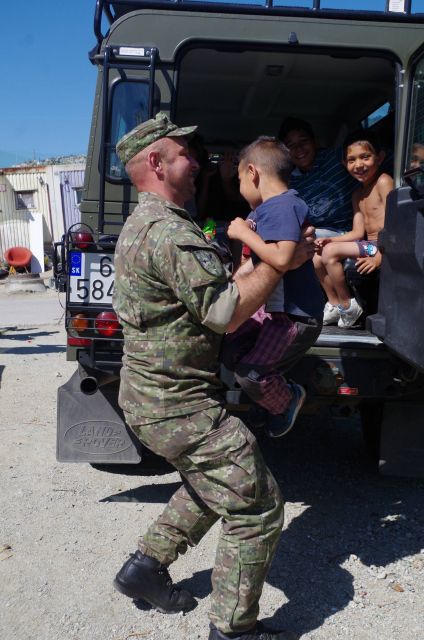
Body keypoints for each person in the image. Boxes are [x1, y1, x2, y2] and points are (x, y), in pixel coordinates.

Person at [111, 112, 314, 640]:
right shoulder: (169, 233)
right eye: (185, 154)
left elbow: (216, 293)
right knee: (257, 507)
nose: (198, 162)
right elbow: (226, 313)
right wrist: (282, 262)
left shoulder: (152, 224)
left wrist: (259, 263)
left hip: (159, 397)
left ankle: (145, 567)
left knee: (215, 482)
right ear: (157, 163)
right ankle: (233, 630)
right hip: (175, 403)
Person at [223, 137, 324, 437]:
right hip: (272, 311)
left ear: (252, 172)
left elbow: (280, 258)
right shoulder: (263, 210)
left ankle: (287, 400)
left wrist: (244, 234)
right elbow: (253, 263)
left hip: (295, 317)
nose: (240, 187)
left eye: (239, 180)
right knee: (230, 348)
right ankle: (266, 398)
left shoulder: (283, 206)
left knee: (252, 374)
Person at [315, 131, 393, 328]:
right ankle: (335, 303)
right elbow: (357, 233)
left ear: (380, 157)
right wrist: (330, 240)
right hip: (368, 245)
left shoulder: (383, 181)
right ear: (344, 164)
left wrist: (379, 256)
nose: (358, 164)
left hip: (381, 246)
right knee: (316, 255)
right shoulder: (357, 194)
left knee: (330, 253)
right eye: (352, 160)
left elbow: (395, 223)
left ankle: (348, 305)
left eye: (365, 157)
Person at [278, 117, 357, 238]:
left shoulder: (336, 157)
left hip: (352, 231)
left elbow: (373, 160)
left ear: (314, 141)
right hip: (318, 236)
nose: (298, 148)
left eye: (303, 141)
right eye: (291, 145)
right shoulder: (289, 183)